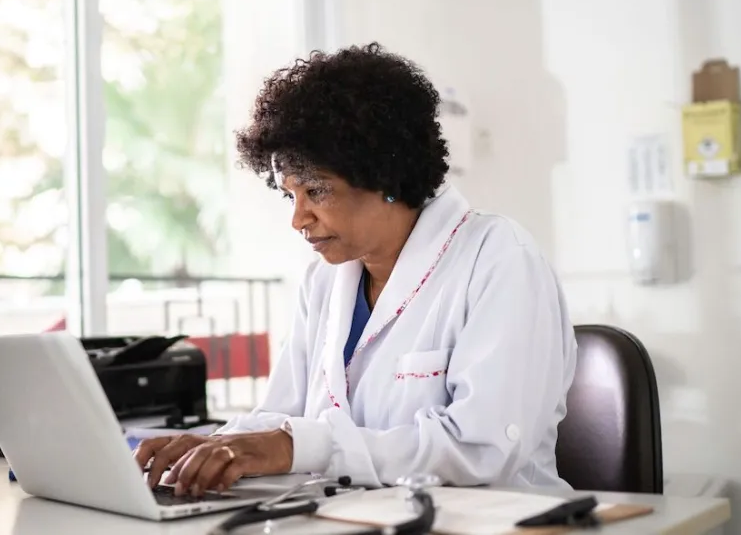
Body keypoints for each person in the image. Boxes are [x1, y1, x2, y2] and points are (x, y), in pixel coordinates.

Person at [134, 42, 577, 497]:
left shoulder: (498, 258)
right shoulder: (325, 279)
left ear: (384, 175)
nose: (297, 218)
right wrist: (209, 445)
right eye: (291, 195)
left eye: (317, 192)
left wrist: (298, 447)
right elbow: (285, 415)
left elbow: (480, 449)